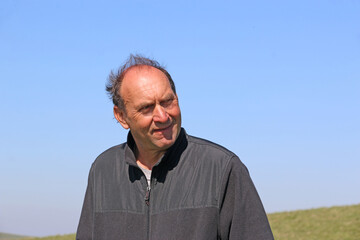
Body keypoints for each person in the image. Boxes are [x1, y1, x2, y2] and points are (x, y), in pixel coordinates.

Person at [76, 55, 274, 240]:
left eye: (168, 101)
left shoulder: (222, 168)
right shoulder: (102, 170)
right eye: (146, 108)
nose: (163, 117)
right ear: (121, 116)